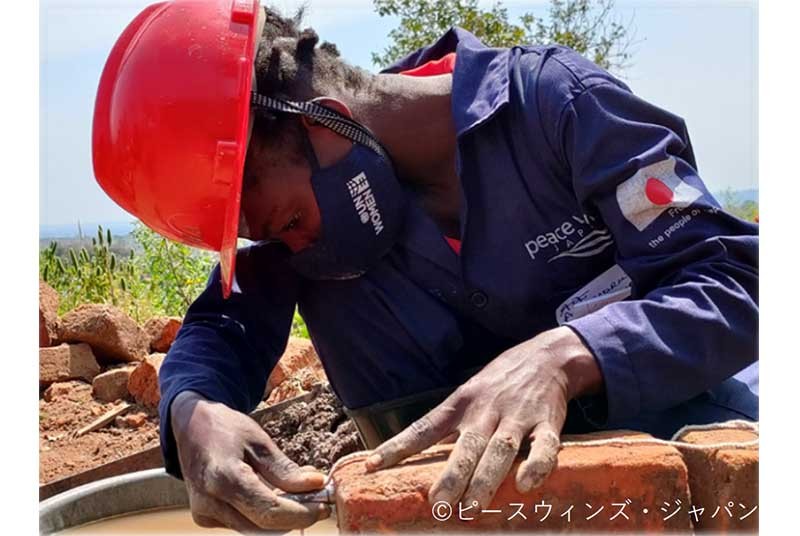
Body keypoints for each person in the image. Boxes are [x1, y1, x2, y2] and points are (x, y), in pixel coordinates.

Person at [92, 0, 759, 532]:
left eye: (287, 223)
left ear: (325, 125)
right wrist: (193, 412)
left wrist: (568, 356)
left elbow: (738, 283)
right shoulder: (293, 237)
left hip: (686, 466)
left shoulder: (559, 110)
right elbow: (221, 331)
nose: (291, 254)